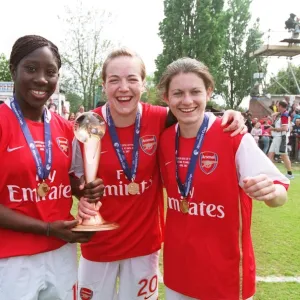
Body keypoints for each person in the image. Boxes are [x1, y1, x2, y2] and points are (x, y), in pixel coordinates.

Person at [75, 48, 247, 300]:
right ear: (104, 85)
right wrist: (81, 196)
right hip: (98, 243)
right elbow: (75, 178)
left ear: (143, 84)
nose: (124, 87)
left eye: (132, 79)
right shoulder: (88, 123)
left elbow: (192, 113)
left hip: (144, 247)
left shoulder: (159, 117)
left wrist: (228, 115)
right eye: (114, 80)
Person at [157, 57, 289, 300]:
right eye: (178, 93)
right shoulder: (164, 140)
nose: (187, 101)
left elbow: (279, 192)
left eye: (195, 91)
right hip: (179, 273)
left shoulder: (233, 135)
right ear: (166, 98)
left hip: (225, 276)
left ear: (208, 92)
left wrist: (272, 193)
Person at [0, 35, 103, 300]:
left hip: (61, 253)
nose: (41, 79)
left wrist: (87, 190)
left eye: (51, 72)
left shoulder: (65, 127)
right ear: (14, 70)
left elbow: (70, 180)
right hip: (11, 259)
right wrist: (46, 229)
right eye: (31, 69)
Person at [268, 100, 294, 179]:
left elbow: (285, 128)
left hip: (280, 137)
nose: (276, 107)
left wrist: (273, 129)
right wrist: (276, 114)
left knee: (284, 155)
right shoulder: (282, 114)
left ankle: (289, 173)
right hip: (277, 137)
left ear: (281, 106)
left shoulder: (284, 115)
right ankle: (271, 173)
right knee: (270, 154)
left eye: (277, 106)